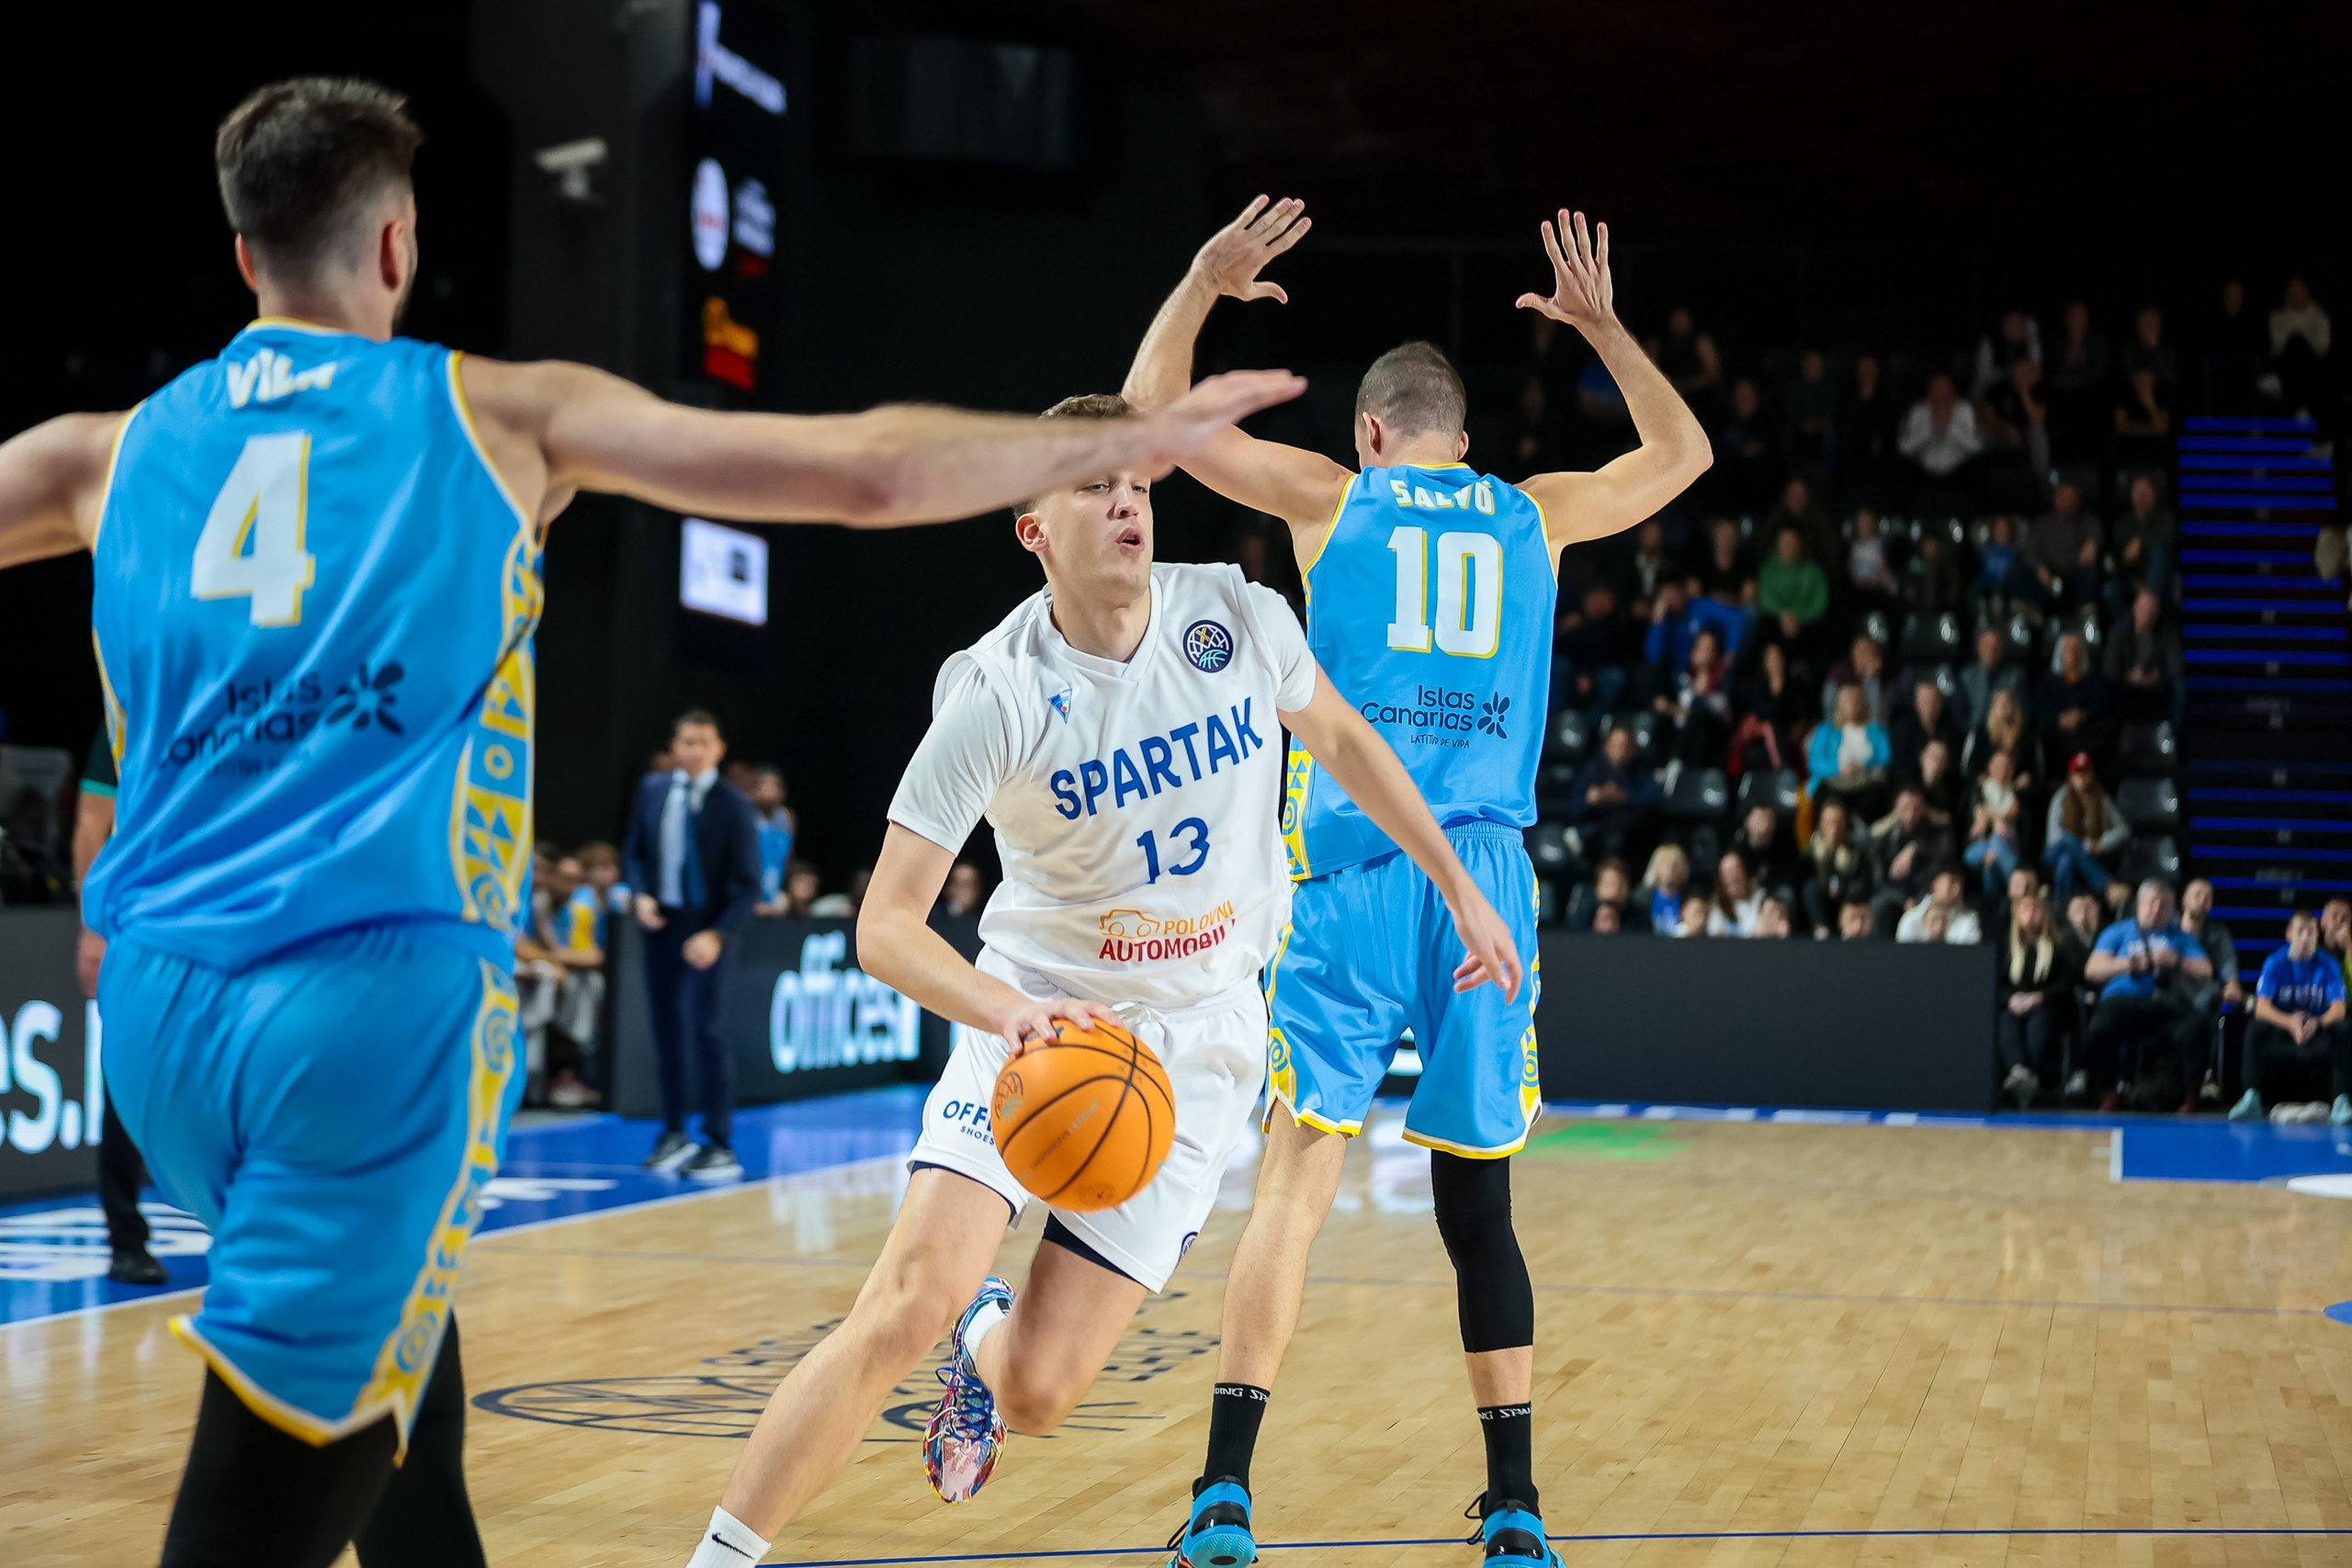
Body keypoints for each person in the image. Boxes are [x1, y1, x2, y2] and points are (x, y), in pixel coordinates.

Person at [0, 77, 1303, 1568]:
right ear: (394, 252)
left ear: (243, 258)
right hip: (356, 1020)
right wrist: (1099, 443)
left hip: (158, 1021)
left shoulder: (99, 454)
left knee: (401, 1377)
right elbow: (864, 471)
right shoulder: (490, 417)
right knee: (262, 1503)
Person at [680, 390, 1523, 1567]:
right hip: (1033, 1022)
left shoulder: (1236, 616)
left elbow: (1352, 750)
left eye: (1134, 479)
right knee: (900, 1303)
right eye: (1091, 483)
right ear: (1031, 527)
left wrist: (1460, 885)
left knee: (1036, 1390)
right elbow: (885, 928)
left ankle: (987, 1341)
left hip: (1195, 1049)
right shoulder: (992, 690)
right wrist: (1010, 1011)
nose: (1126, 500)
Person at [1118, 198, 1709, 1568]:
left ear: (1372, 433)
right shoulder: (1536, 515)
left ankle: (1223, 1493)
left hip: (1345, 877)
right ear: (1463, 437)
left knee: (1293, 1186)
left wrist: (1202, 282)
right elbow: (1685, 449)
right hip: (1481, 886)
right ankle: (1514, 1504)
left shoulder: (1336, 501)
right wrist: (1607, 327)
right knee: (1478, 1203)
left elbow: (1144, 423)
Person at [620, 711, 763, 1180]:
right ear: (674, 746)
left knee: (708, 1031)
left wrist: (718, 933)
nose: (693, 750)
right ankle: (673, 1131)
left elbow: (748, 885)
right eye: (685, 741)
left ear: (719, 749)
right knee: (667, 1032)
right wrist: (640, 894)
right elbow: (634, 852)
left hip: (710, 928)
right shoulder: (653, 790)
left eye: (702, 742)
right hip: (663, 923)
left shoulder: (735, 804)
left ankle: (719, 1140)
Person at [69, 731, 168, 1285]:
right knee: (126, 1076)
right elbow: (91, 820)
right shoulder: (123, 714)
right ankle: (126, 1238)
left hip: (219, 914)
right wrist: (91, 924)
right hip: (138, 923)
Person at [2083, 879, 2214, 1112]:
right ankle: (2109, 1092)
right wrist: (2128, 964)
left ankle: (2191, 1097)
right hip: (2122, 1005)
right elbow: (2092, 969)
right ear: (2139, 904)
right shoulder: (2118, 931)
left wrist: (2177, 961)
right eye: (2152, 904)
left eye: (2164, 906)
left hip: (2164, 1007)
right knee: (2100, 1025)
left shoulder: (2180, 937)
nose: (2157, 910)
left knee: (2197, 1024)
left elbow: (2206, 970)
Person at [2231, 910, 2350, 1123]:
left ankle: (2341, 1099)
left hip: (2317, 1028)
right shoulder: (2275, 962)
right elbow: (2262, 1007)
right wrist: (2290, 1023)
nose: (2306, 938)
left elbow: (2339, 1008)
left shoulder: (2328, 963)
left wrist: (2317, 1023)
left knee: (2344, 1028)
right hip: (2284, 1028)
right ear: (2289, 935)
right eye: (2301, 932)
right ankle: (2251, 1097)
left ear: (2317, 937)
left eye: (2311, 932)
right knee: (2255, 1028)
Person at [1996, 890, 2076, 1108]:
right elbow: (1997, 983)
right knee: (2006, 1021)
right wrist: (2010, 999)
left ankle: (2034, 1078)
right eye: (2025, 909)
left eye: (2036, 909)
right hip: (2014, 1006)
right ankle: (2019, 1072)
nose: (2031, 914)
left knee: (2038, 1024)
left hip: (2047, 1006)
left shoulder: (2058, 947)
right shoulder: (2006, 948)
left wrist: (2041, 997)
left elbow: (2065, 983)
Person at [2043, 753, 2130, 906]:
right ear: (2071, 776)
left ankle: (2060, 907)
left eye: (2085, 773)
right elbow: (2054, 838)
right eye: (2078, 774)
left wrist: (2103, 843)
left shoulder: (2101, 798)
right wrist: (2088, 846)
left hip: (2075, 857)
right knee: (2068, 838)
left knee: (2066, 862)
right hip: (2054, 852)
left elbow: (2123, 829)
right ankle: (2106, 884)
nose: (2081, 778)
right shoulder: (2060, 798)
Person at [1569, 723, 1663, 861]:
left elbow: (1655, 798)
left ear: (1633, 749)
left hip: (1634, 834)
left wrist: (1623, 796)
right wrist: (1591, 799)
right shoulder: (1592, 771)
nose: (1621, 751)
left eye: (1626, 746)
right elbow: (1573, 808)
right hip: (1599, 834)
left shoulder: (1641, 770)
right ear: (1606, 747)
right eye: (1616, 745)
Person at [1869, 785, 1951, 935]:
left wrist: (1915, 848)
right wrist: (1904, 900)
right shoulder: (1884, 838)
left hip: (1927, 897)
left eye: (1917, 808)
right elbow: (1878, 881)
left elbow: (1943, 861)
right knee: (1879, 906)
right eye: (1906, 808)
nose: (1911, 814)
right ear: (1897, 809)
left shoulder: (1937, 834)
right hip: (1896, 898)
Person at [1806, 682, 1891, 814]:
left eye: (1856, 701)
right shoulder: (1826, 730)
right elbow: (1815, 762)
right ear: (1839, 704)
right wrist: (1839, 768)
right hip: (1834, 784)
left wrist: (1864, 766)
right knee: (1827, 799)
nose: (1852, 705)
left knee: (1876, 797)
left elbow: (1886, 757)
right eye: (1848, 701)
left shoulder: (1876, 730)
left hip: (1866, 784)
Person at [2039, 633, 2117, 768]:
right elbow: (2042, 714)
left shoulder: (2097, 684)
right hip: (2057, 746)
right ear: (2060, 653)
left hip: (2090, 746)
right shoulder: (2047, 684)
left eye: (2077, 649)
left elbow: (2103, 712)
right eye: (2069, 649)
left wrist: (2082, 716)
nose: (2073, 653)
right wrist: (2059, 719)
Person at [1800, 799, 1874, 935]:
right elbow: (1809, 885)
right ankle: (1821, 931)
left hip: (1848, 904)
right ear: (1821, 825)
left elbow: (1865, 882)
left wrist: (1845, 872)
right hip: (1823, 906)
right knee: (1811, 889)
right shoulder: (1811, 854)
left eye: (1838, 823)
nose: (1834, 829)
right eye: (1829, 823)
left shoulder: (1857, 852)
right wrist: (1824, 862)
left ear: (1846, 824)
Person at [1962, 748, 2027, 896]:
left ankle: (1993, 901)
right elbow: (1980, 819)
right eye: (1998, 765)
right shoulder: (1980, 790)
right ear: (1990, 767)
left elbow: (2014, 811)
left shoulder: (2015, 793)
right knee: (1997, 839)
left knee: (1990, 867)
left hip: (2005, 847)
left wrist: (1994, 818)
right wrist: (1996, 819)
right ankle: (2020, 888)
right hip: (1978, 847)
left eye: (2007, 767)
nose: (2002, 770)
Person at [749, 766, 797, 915]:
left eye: (774, 786)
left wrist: (785, 893)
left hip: (775, 892)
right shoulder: (745, 817)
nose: (769, 790)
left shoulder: (787, 818)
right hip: (749, 894)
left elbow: (788, 859)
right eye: (765, 785)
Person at [1895, 866, 1983, 944]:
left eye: (1961, 885)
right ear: (1935, 885)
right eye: (1952, 882)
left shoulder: (1969, 920)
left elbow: (1971, 956)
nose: (1957, 890)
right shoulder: (1911, 918)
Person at [1707, 852, 1766, 937]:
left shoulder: (1761, 899)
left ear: (1745, 871)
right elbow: (1714, 936)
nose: (1733, 876)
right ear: (1721, 880)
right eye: (1728, 872)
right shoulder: (1718, 906)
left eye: (1736, 869)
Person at [1638, 843, 1692, 933]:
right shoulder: (1641, 899)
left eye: (1675, 865)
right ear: (1656, 867)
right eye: (1666, 864)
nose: (1670, 869)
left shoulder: (1690, 898)